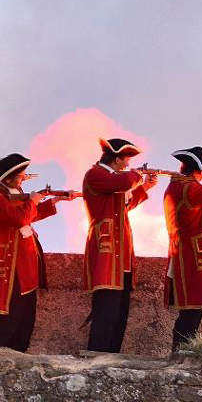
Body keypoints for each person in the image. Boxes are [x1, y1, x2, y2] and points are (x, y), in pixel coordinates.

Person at [0, 153, 76, 352]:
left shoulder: (14, 190)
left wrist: (53, 202)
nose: (23, 178)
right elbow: (19, 218)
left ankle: (19, 353)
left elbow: (29, 216)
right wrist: (33, 201)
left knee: (26, 316)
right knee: (10, 314)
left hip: (26, 262)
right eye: (20, 175)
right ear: (8, 177)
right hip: (13, 262)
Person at [82, 137, 157, 352]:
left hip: (121, 255)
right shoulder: (95, 174)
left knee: (119, 314)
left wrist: (145, 187)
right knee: (105, 313)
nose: (127, 165)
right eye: (125, 160)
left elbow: (124, 205)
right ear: (116, 159)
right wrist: (139, 176)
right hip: (106, 252)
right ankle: (96, 356)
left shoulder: (113, 178)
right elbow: (124, 183)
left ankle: (112, 357)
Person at [162, 147, 202, 351]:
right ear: (199, 172)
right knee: (191, 312)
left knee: (192, 311)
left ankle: (183, 351)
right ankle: (182, 352)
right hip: (190, 257)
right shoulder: (188, 188)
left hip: (188, 255)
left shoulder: (183, 187)